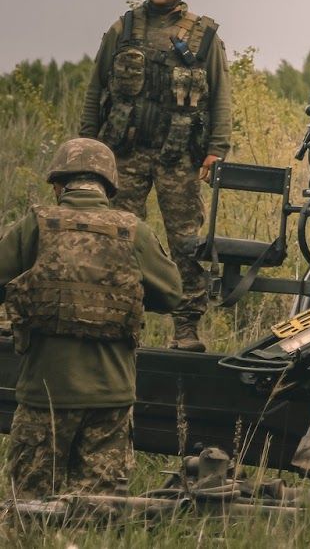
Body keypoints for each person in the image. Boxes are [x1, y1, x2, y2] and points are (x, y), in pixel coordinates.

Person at [0, 138, 183, 499]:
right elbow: (172, 294)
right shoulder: (134, 231)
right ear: (108, 186)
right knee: (98, 513)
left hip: (45, 395)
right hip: (110, 398)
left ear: (58, 184)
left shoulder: (35, 226)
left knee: (27, 510)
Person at [79, 0, 231, 352]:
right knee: (116, 237)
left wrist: (217, 148)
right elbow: (96, 89)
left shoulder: (203, 36)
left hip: (178, 157)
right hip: (123, 156)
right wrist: (88, 149)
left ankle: (186, 328)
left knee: (186, 242)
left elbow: (219, 96)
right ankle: (118, 319)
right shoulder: (121, 31)